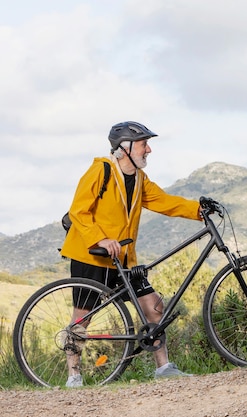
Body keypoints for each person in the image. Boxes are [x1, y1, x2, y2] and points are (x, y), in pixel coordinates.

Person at [60, 121, 202, 387]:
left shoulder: (139, 179)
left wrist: (198, 210)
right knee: (82, 318)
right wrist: (100, 238)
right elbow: (79, 210)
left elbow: (164, 201)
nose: (149, 150)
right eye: (143, 144)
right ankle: (74, 376)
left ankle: (164, 368)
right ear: (125, 148)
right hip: (91, 255)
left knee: (154, 307)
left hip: (123, 260)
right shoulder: (100, 170)